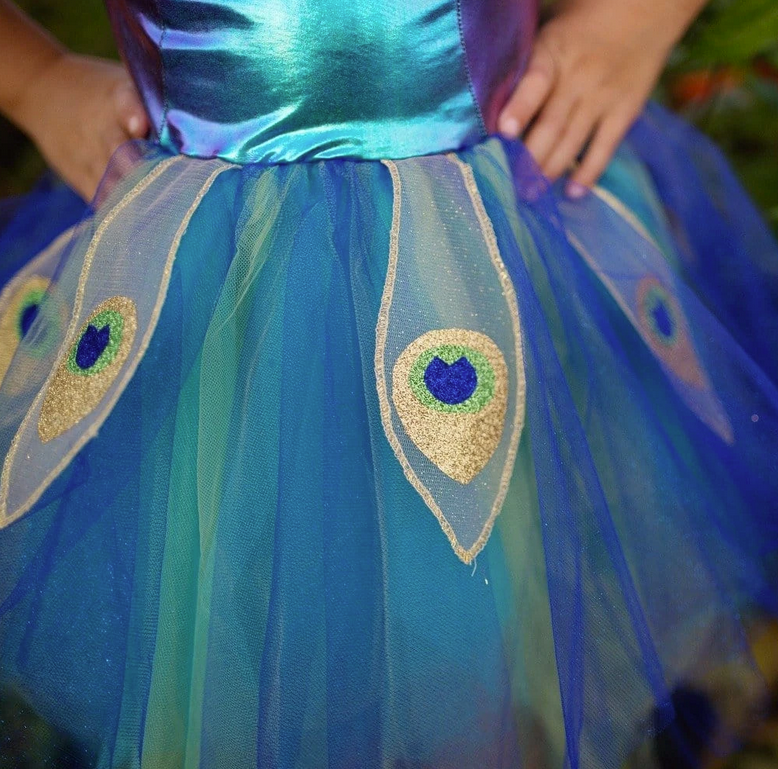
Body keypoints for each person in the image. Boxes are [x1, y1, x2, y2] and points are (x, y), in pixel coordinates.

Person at [0, 0, 776, 766]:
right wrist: (36, 78)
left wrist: (635, 20)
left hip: (490, 234)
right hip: (208, 269)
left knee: (478, 642)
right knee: (237, 635)